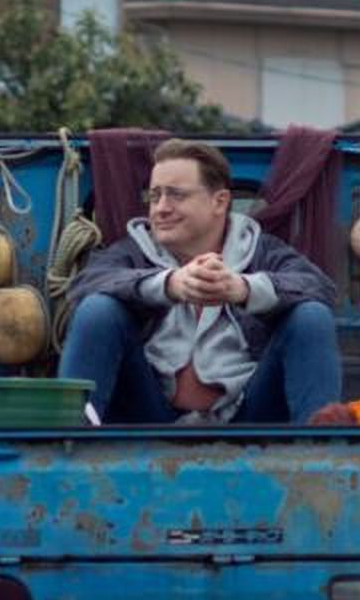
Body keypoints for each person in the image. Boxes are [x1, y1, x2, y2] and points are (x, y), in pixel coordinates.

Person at [60, 138, 341, 425]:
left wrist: (242, 288)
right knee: (97, 309)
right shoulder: (131, 251)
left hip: (250, 417)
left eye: (176, 195)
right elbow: (84, 285)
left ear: (219, 202)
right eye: (154, 196)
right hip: (148, 414)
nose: (160, 208)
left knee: (312, 316)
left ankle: (321, 450)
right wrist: (169, 285)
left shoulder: (263, 251)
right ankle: (69, 439)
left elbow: (320, 289)